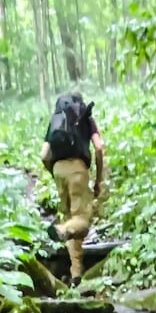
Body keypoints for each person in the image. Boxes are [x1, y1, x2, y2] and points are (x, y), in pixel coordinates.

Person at [40, 91, 105, 285]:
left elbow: (44, 155)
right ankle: (61, 229)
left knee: (71, 219)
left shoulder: (56, 120)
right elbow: (99, 147)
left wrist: (55, 172)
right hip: (78, 169)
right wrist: (98, 180)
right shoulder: (86, 117)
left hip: (58, 169)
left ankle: (76, 273)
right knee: (81, 222)